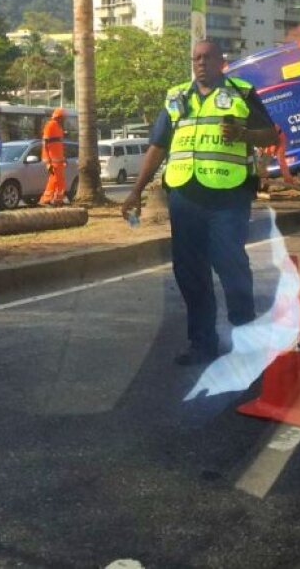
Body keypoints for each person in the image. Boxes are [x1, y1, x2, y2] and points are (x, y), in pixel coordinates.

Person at [120, 39, 277, 366]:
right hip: (185, 196)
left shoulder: (241, 93)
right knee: (190, 272)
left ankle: (246, 339)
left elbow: (271, 135)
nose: (200, 63)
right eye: (195, 59)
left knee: (230, 264)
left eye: (207, 57)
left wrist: (243, 135)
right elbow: (157, 146)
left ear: (222, 61)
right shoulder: (177, 97)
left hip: (228, 195)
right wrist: (135, 191)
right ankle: (202, 342)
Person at [41, 107, 67, 206]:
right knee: (54, 180)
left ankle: (57, 200)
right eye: (63, 118)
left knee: (60, 180)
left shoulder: (58, 127)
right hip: (52, 160)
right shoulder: (50, 125)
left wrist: (63, 158)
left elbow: (59, 145)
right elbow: (45, 144)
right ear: (58, 117)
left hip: (59, 161)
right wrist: (47, 162)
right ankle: (47, 199)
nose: (64, 120)